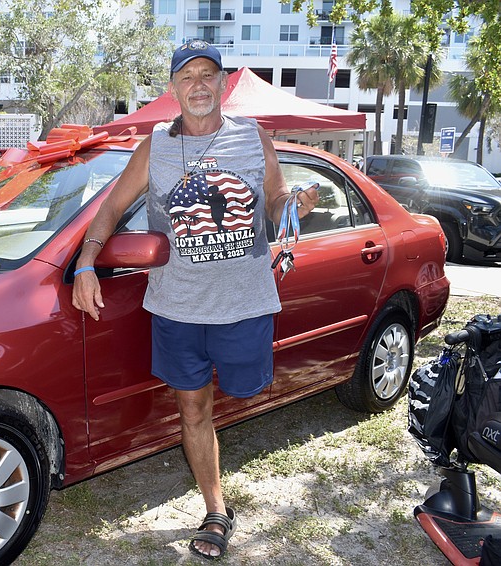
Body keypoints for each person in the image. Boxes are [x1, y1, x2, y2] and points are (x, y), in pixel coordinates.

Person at [71, 39, 319, 561]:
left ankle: (220, 476)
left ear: (223, 83)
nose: (198, 85)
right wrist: (87, 263)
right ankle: (215, 508)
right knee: (193, 407)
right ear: (174, 88)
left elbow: (275, 204)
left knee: (245, 393)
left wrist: (293, 203)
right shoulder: (154, 146)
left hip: (244, 304)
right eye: (188, 77)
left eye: (208, 75)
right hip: (177, 308)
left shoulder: (255, 138)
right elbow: (111, 208)